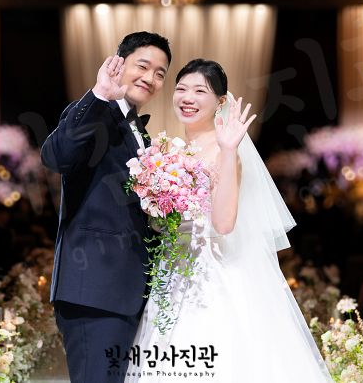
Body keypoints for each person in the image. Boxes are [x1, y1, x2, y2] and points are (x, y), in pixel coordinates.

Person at [124, 59, 333, 382]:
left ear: (220, 101)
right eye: (181, 89)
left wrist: (227, 149)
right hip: (172, 270)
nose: (187, 98)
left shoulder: (226, 151)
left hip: (210, 273)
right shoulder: (169, 150)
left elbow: (223, 224)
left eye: (200, 91)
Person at [41, 31, 171, 383]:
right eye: (142, 66)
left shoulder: (140, 132)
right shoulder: (96, 112)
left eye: (160, 73)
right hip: (95, 292)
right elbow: (56, 156)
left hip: (128, 293)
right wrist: (99, 94)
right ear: (118, 63)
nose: (150, 77)